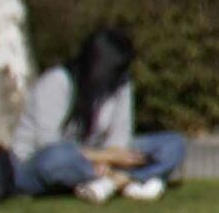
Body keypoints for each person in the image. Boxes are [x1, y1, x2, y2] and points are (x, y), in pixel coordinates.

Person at [16, 25, 185, 201]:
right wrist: (102, 158)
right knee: (56, 159)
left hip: (100, 154)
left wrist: (109, 158)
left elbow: (119, 138)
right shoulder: (58, 82)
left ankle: (109, 183)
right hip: (40, 162)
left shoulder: (121, 83)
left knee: (173, 144)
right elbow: (48, 144)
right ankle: (128, 181)